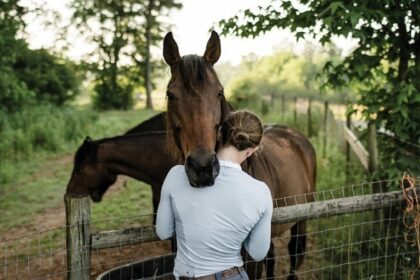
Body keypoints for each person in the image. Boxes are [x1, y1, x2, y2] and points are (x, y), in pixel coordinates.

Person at [156, 110, 273, 280]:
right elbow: (258, 253)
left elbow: (163, 232)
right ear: (251, 151)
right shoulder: (261, 191)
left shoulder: (176, 175)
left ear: (219, 134)